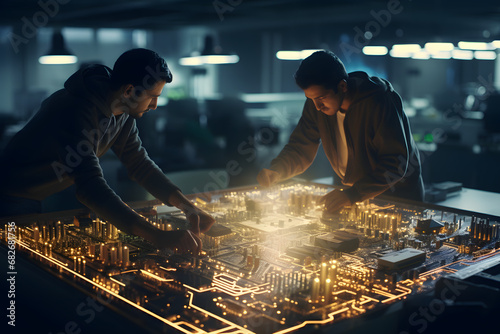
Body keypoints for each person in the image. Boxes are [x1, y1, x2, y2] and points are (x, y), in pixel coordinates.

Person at [0, 48, 214, 254]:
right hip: (10, 195)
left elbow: (139, 164)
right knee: (16, 270)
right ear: (129, 90)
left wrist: (188, 207)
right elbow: (91, 187)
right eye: (152, 96)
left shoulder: (123, 111)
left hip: (38, 195)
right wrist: (157, 237)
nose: (155, 105)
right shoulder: (75, 110)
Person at [257, 50, 424, 214]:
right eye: (310, 99)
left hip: (396, 199)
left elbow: (395, 162)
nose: (317, 106)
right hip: (354, 195)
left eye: (321, 98)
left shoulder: (379, 101)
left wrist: (353, 194)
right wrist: (278, 170)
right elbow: (301, 146)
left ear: (342, 86)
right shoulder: (316, 104)